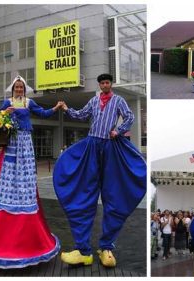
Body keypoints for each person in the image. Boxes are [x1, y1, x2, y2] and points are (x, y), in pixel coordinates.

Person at [0, 76, 62, 268]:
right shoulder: (7, 102)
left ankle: (24, 185)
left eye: (21, 88)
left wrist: (55, 108)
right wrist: (5, 113)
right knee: (8, 166)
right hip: (11, 140)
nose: (19, 90)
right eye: (17, 88)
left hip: (25, 139)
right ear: (13, 89)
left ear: (24, 90)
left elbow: (43, 114)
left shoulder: (30, 102)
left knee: (26, 167)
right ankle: (9, 189)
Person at [54, 73, 146, 267]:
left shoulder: (119, 100)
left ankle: (106, 247)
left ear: (111, 84)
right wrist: (66, 108)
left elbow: (129, 116)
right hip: (92, 146)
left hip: (110, 148)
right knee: (83, 193)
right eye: (102, 83)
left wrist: (118, 131)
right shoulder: (94, 101)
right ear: (99, 84)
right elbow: (80, 115)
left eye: (107, 82)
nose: (105, 85)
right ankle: (83, 250)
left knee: (114, 195)